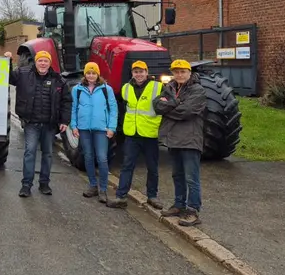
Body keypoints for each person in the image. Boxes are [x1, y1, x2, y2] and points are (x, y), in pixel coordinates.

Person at [4, 50, 71, 198]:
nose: (42, 63)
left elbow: (66, 101)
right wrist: (8, 61)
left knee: (47, 154)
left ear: (49, 63)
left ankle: (44, 183)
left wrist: (65, 120)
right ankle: (26, 185)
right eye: (40, 60)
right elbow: (8, 77)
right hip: (31, 123)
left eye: (45, 61)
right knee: (30, 152)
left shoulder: (58, 79)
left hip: (49, 124)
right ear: (36, 62)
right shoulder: (23, 73)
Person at [152, 59, 207, 226]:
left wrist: (169, 107)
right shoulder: (170, 88)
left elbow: (187, 111)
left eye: (182, 71)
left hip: (190, 140)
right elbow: (157, 106)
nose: (179, 74)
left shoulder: (197, 90)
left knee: (192, 178)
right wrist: (174, 104)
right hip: (173, 139)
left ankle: (193, 210)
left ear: (189, 73)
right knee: (177, 175)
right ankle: (178, 204)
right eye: (176, 71)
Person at [107, 61, 164, 210]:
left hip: (150, 134)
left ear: (147, 72)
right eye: (136, 72)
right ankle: (121, 196)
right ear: (132, 73)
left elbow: (165, 107)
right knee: (127, 166)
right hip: (132, 134)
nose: (138, 74)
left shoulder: (158, 87)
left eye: (141, 71)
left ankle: (152, 196)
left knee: (152, 167)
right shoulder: (126, 88)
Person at [70, 62, 118, 204]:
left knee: (102, 158)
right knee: (88, 156)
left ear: (98, 74)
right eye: (88, 73)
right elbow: (74, 108)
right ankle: (92, 185)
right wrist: (74, 125)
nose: (91, 75)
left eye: (93, 73)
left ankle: (103, 189)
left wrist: (111, 128)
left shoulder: (106, 89)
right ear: (85, 74)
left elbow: (113, 109)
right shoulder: (77, 90)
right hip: (84, 128)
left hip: (101, 129)